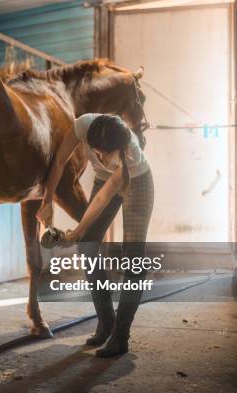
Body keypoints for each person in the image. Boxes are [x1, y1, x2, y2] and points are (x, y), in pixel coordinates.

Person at [36, 113, 154, 357]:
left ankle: (120, 336)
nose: (98, 157)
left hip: (138, 181)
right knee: (87, 247)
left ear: (119, 148)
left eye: (104, 153)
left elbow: (104, 197)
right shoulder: (84, 125)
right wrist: (47, 201)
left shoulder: (129, 152)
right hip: (104, 180)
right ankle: (106, 320)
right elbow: (59, 161)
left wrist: (77, 231)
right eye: (95, 151)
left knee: (132, 257)